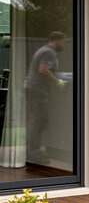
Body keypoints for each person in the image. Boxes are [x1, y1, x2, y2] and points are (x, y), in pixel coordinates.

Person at [25, 31, 67, 164]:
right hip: (37, 90)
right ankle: (33, 153)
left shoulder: (44, 50)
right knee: (38, 121)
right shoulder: (49, 52)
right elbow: (43, 70)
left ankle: (33, 151)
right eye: (63, 42)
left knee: (39, 120)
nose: (64, 45)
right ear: (57, 40)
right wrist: (58, 81)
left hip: (34, 89)